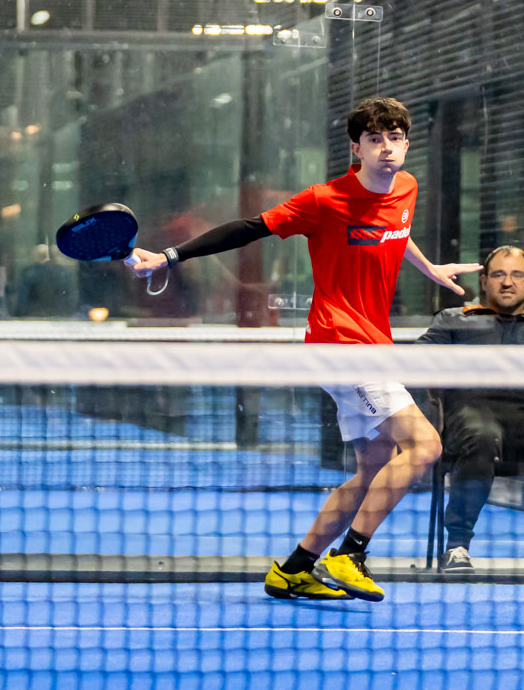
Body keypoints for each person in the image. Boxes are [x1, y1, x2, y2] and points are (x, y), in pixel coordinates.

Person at [127, 97, 481, 602]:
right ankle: (350, 554)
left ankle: (294, 569)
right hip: (341, 343)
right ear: (356, 148)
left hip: (373, 345)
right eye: (375, 139)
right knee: (425, 446)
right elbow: (249, 228)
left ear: (406, 144)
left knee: (373, 469)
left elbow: (394, 230)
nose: (387, 148)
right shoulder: (324, 200)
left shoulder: (406, 187)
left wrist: (429, 268)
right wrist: (168, 256)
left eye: (396, 138)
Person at [416, 245, 524, 575]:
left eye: (516, 275)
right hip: (471, 415)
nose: (507, 282)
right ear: (484, 281)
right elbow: (415, 362)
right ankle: (457, 547)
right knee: (481, 435)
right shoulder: (453, 321)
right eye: (498, 275)